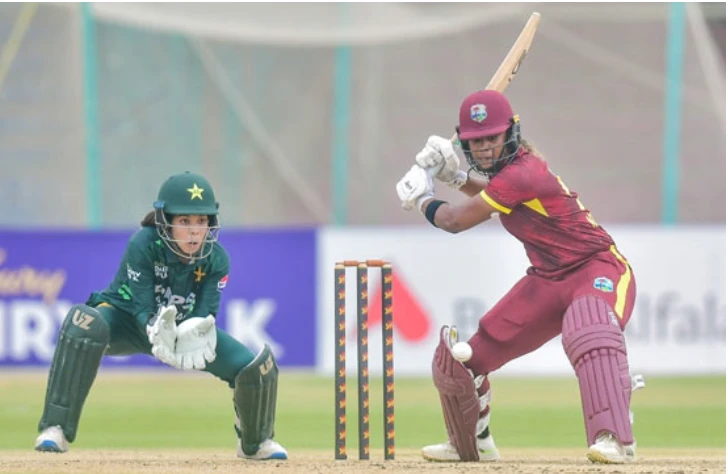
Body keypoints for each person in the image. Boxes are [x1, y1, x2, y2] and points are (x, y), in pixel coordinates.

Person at [396, 90, 639, 464]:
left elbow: (455, 221)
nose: (486, 149)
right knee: (464, 360)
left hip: (596, 268)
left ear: (511, 133)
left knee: (588, 328)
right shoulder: (511, 178)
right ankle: (472, 443)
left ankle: (615, 438)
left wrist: (423, 196)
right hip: (547, 279)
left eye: (492, 138)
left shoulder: (526, 172)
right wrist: (454, 176)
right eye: (476, 143)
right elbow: (495, 194)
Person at [34, 171, 288, 461]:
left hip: (181, 333)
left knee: (254, 367)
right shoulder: (143, 243)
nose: (194, 231)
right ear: (165, 221)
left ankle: (255, 443)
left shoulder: (217, 259)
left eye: (202, 221)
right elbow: (142, 307)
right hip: (125, 321)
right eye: (184, 221)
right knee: (84, 323)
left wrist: (193, 332)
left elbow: (205, 313)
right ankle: (55, 428)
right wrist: (155, 328)